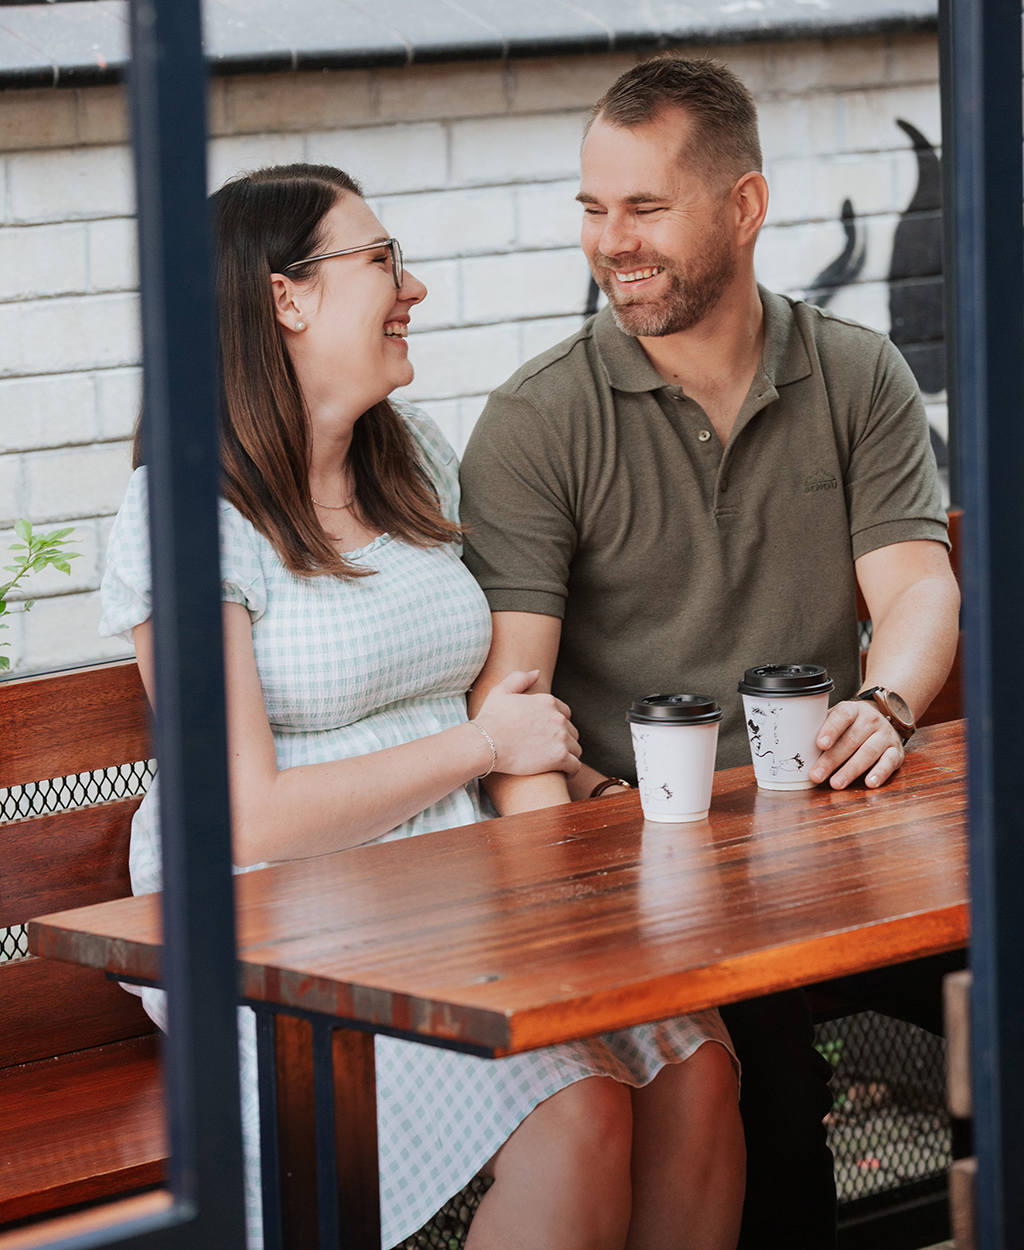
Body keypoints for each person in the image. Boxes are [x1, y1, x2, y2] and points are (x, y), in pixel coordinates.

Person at [99, 162, 745, 1250]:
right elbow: (241, 816)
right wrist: (483, 743)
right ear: (284, 297)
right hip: (274, 916)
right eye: (382, 261)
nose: (416, 288)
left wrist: (559, 782)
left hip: (455, 875)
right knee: (575, 1109)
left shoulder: (410, 460)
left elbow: (503, 686)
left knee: (698, 1068)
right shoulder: (183, 511)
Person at [458, 56, 961, 1250]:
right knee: (766, 1091)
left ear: (743, 207)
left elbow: (918, 588)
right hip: (658, 892)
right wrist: (574, 907)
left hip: (838, 861)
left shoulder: (851, 372)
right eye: (592, 208)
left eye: (645, 207)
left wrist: (883, 707)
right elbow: (509, 702)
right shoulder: (539, 421)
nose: (610, 241)